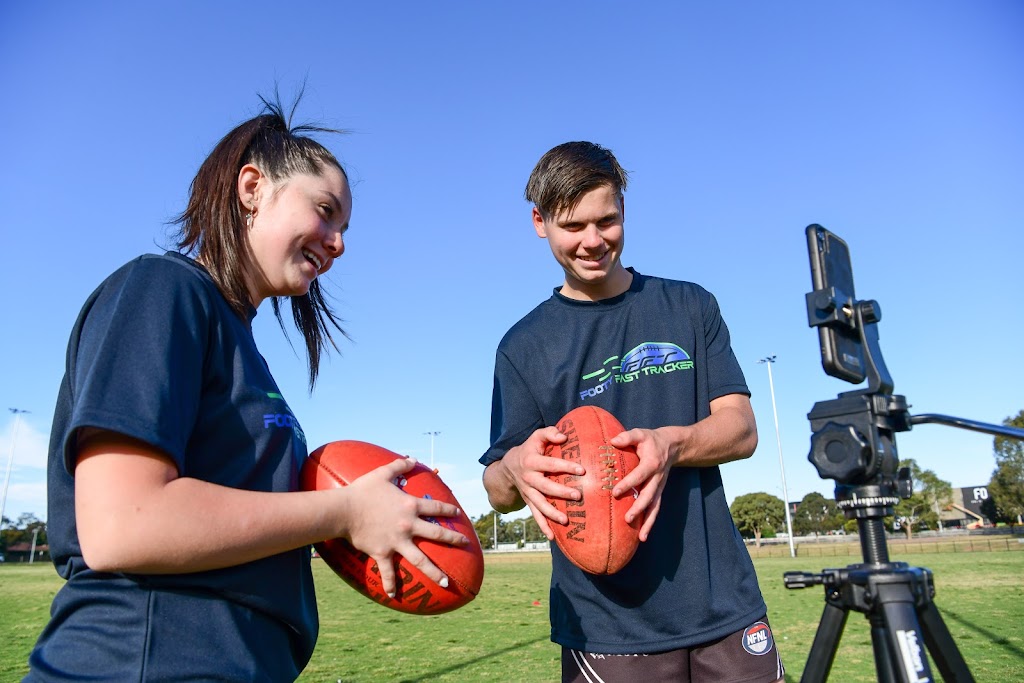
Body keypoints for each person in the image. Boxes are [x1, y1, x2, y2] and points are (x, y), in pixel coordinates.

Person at [26, 97, 468, 682]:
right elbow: (123, 524)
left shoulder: (244, 346)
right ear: (253, 187)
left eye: (344, 227)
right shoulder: (161, 290)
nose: (338, 242)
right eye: (325, 211)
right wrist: (345, 510)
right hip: (147, 657)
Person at [480, 141, 784, 682]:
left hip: (724, 606)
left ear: (624, 210)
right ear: (539, 223)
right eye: (573, 226)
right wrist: (514, 470)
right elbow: (499, 491)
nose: (594, 241)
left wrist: (672, 444)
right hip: (606, 627)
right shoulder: (523, 346)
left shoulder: (690, 305)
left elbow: (741, 428)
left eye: (608, 220)